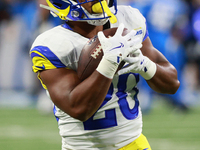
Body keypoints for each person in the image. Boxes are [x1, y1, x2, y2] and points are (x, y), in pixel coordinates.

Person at [30, 0, 180, 149]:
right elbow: (79, 108)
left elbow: (172, 84)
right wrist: (109, 62)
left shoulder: (128, 19)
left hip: (134, 144)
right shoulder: (51, 44)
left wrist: (144, 64)